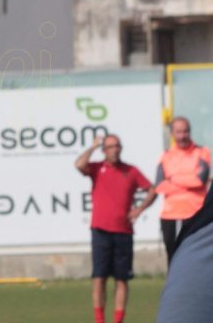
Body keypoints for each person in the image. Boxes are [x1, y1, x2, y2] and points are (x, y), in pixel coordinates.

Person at [75, 134, 157, 323]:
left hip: (123, 232)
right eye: (111, 147)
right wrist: (93, 147)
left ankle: (118, 320)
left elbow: (152, 189)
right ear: (104, 150)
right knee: (99, 278)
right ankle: (99, 320)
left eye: (117, 146)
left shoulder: (131, 171)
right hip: (100, 230)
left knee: (122, 279)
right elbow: (79, 165)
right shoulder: (97, 168)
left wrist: (139, 209)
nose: (115, 150)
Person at [155, 116, 210, 262]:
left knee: (196, 256)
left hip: (196, 212)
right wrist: (188, 179)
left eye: (185, 131)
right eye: (178, 132)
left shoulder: (202, 152)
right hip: (171, 214)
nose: (182, 136)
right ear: (172, 133)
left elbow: (200, 180)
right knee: (173, 256)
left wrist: (173, 179)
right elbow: (159, 185)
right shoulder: (166, 155)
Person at [156, 186, 213, 322]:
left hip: (193, 216)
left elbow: (198, 181)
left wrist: (175, 183)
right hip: (176, 218)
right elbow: (160, 186)